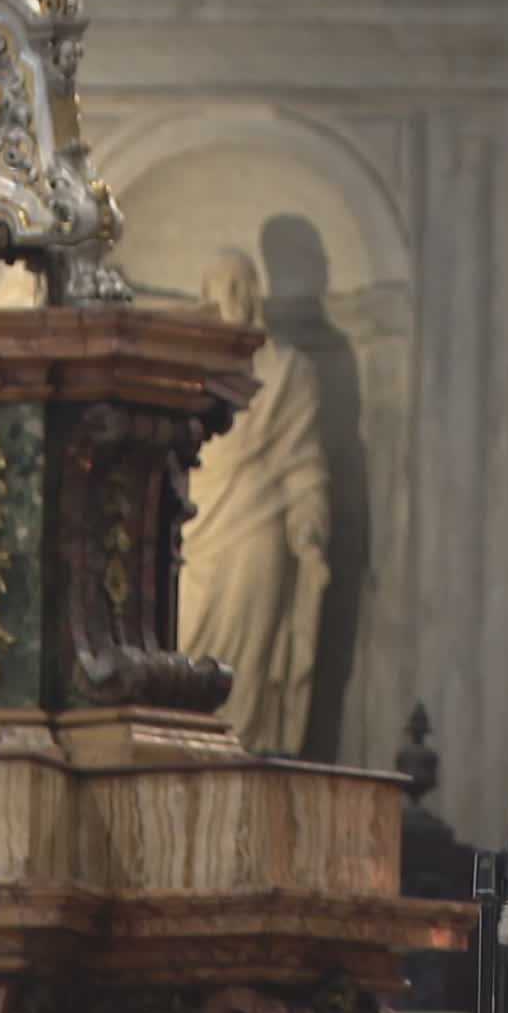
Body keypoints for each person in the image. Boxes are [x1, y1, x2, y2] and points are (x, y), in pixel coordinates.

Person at [180, 248, 331, 756]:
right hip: (193, 530)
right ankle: (182, 755)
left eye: (243, 284)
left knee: (247, 668)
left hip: (258, 528)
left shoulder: (289, 371)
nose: (234, 296)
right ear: (204, 298)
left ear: (258, 294)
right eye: (221, 284)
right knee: (184, 649)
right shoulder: (183, 369)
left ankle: (244, 758)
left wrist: (309, 529)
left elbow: (303, 462)